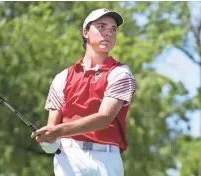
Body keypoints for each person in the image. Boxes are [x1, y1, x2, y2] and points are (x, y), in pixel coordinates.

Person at [31, 8, 136, 176]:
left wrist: (59, 131)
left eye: (113, 29)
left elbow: (104, 118)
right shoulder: (62, 77)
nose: (108, 33)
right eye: (101, 26)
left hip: (106, 160)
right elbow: (53, 126)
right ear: (86, 32)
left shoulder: (121, 73)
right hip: (68, 158)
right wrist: (48, 139)